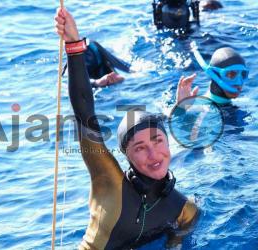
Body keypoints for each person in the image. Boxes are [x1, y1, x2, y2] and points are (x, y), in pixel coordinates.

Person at [55, 7, 198, 249]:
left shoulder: (185, 210)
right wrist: (74, 45)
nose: (154, 155)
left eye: (157, 141)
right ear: (126, 155)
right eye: (140, 148)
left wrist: (180, 113)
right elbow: (84, 113)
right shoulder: (109, 183)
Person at [62, 39, 131, 88]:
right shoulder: (70, 67)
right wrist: (97, 83)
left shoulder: (92, 46)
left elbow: (124, 67)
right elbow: (74, 83)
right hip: (92, 82)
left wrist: (123, 77)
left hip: (103, 70)